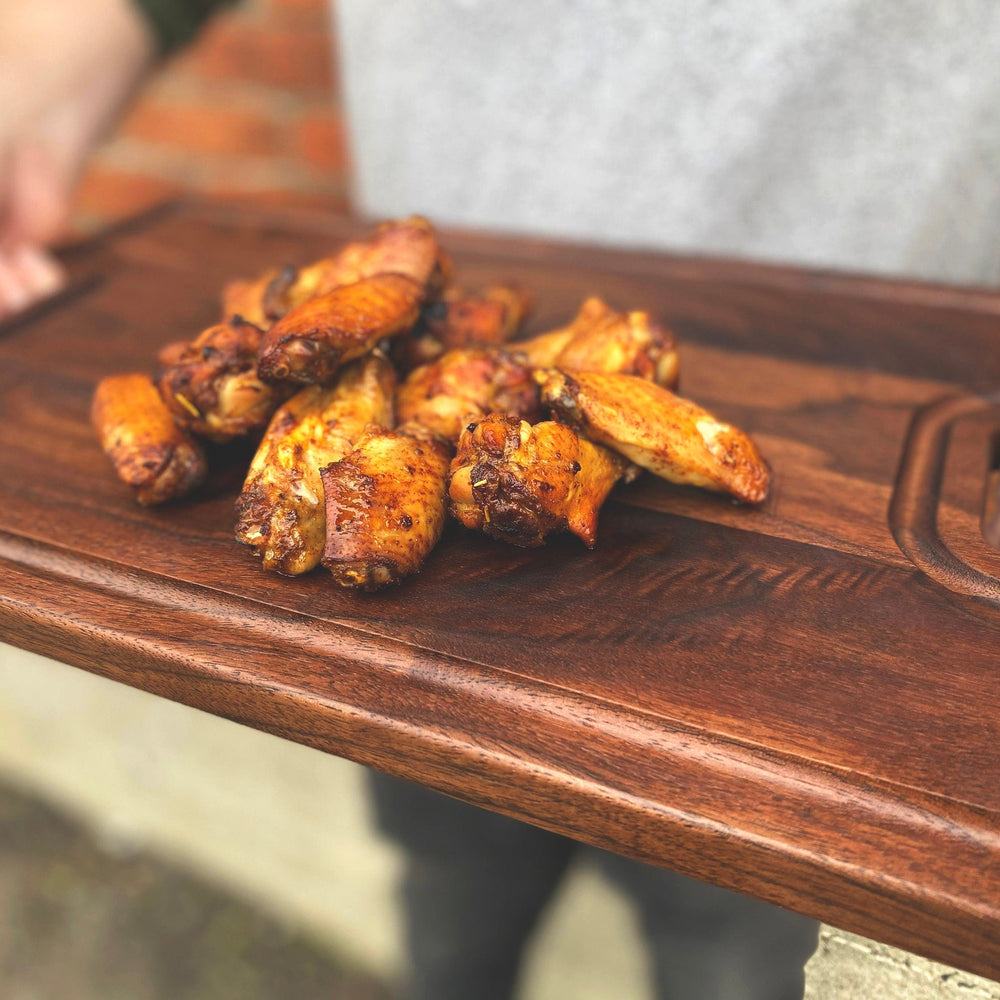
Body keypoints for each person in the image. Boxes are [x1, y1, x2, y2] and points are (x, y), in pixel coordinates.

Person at [6, 2, 1000, 997]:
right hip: (431, 634)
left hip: (877, 346)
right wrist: (33, 83)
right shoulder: (362, 373)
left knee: (730, 942)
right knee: (449, 897)